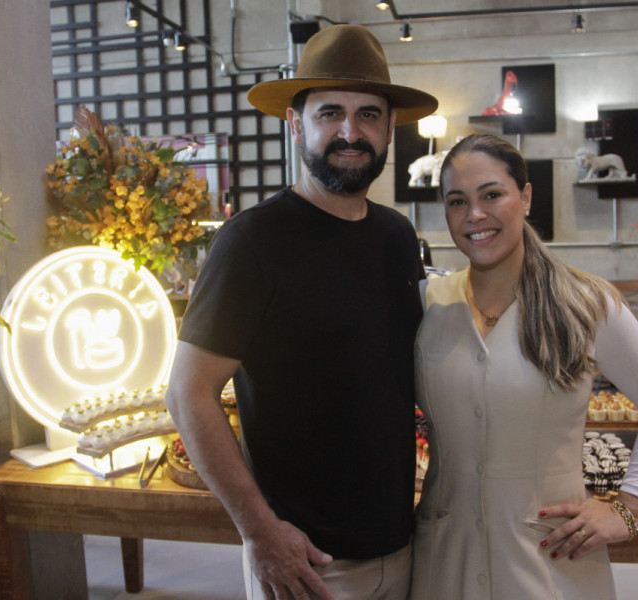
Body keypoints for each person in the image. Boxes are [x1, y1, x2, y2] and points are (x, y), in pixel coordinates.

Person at [165, 24, 438, 600]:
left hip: (403, 542)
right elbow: (188, 393)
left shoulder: (396, 236)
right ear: (297, 124)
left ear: (390, 128)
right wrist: (259, 530)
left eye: (368, 114)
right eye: (330, 112)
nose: (350, 131)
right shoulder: (252, 242)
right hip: (307, 562)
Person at [410, 134, 638, 600]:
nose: (474, 215)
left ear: (525, 196)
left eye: (492, 194)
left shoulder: (585, 302)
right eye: (457, 201)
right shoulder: (427, 304)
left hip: (552, 563)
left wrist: (631, 506)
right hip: (444, 563)